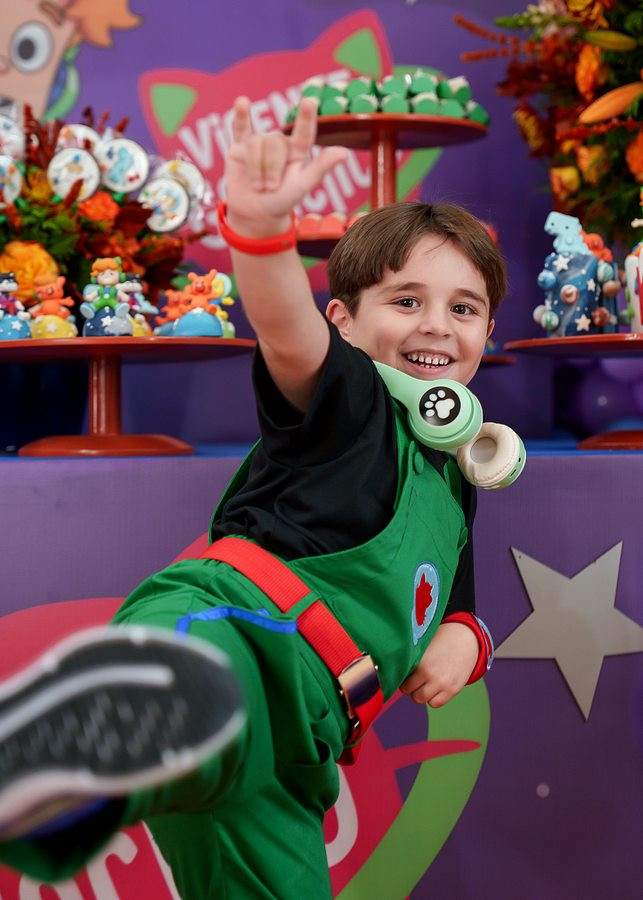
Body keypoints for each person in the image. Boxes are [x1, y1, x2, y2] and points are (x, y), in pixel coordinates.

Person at [0, 96, 510, 897]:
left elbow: (456, 607)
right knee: (193, 701)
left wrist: (467, 641)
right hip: (236, 634)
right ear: (345, 323)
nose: (437, 326)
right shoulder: (348, 400)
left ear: (486, 334)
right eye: (406, 301)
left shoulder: (454, 475)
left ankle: (70, 778)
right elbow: (286, 329)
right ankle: (88, 742)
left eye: (464, 308)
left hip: (302, 745)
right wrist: (262, 232)